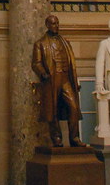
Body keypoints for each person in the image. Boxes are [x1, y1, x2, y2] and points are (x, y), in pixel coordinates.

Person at [32, 14, 84, 147]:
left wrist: (75, 81)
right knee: (52, 110)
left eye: (57, 23)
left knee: (73, 107)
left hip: (66, 78)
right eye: (53, 24)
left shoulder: (65, 42)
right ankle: (56, 138)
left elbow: (72, 63)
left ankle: (74, 138)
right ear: (48, 25)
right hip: (52, 79)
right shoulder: (40, 44)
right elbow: (36, 63)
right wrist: (43, 73)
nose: (56, 26)